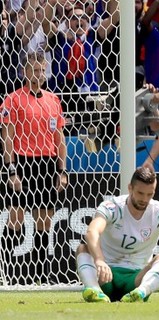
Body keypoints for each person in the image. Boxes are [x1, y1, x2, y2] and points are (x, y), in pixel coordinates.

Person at [75, 167, 159, 302]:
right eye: (140, 193)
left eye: (150, 194)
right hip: (106, 275)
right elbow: (92, 231)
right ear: (130, 188)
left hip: (137, 277)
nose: (145, 199)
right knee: (82, 248)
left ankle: (139, 293)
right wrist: (99, 260)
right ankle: (95, 291)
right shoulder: (113, 207)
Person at [0, 51, 68, 285]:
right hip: (22, 161)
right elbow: (7, 137)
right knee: (15, 220)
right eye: (34, 70)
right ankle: (7, 273)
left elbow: (60, 139)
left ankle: (39, 276)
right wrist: (11, 170)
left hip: (47, 164)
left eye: (42, 70)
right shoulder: (12, 99)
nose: (39, 75)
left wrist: (62, 170)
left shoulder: (53, 100)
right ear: (24, 72)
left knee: (45, 222)